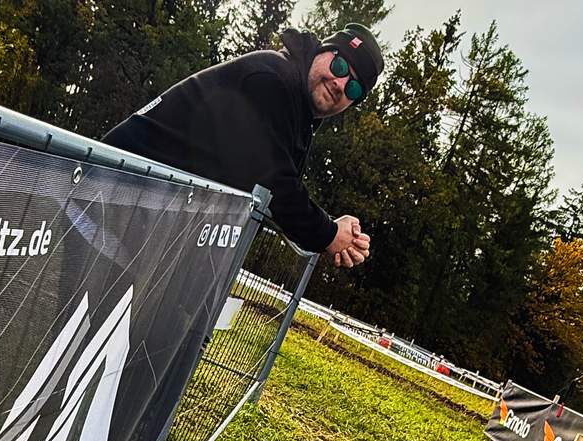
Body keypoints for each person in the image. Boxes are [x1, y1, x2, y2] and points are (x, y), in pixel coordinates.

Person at [103, 24, 382, 268]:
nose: (340, 83)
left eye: (353, 89)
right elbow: (273, 183)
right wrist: (329, 233)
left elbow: (274, 190)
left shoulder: (298, 116)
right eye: (340, 66)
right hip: (105, 200)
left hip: (136, 224)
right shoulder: (272, 79)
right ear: (322, 52)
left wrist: (334, 232)